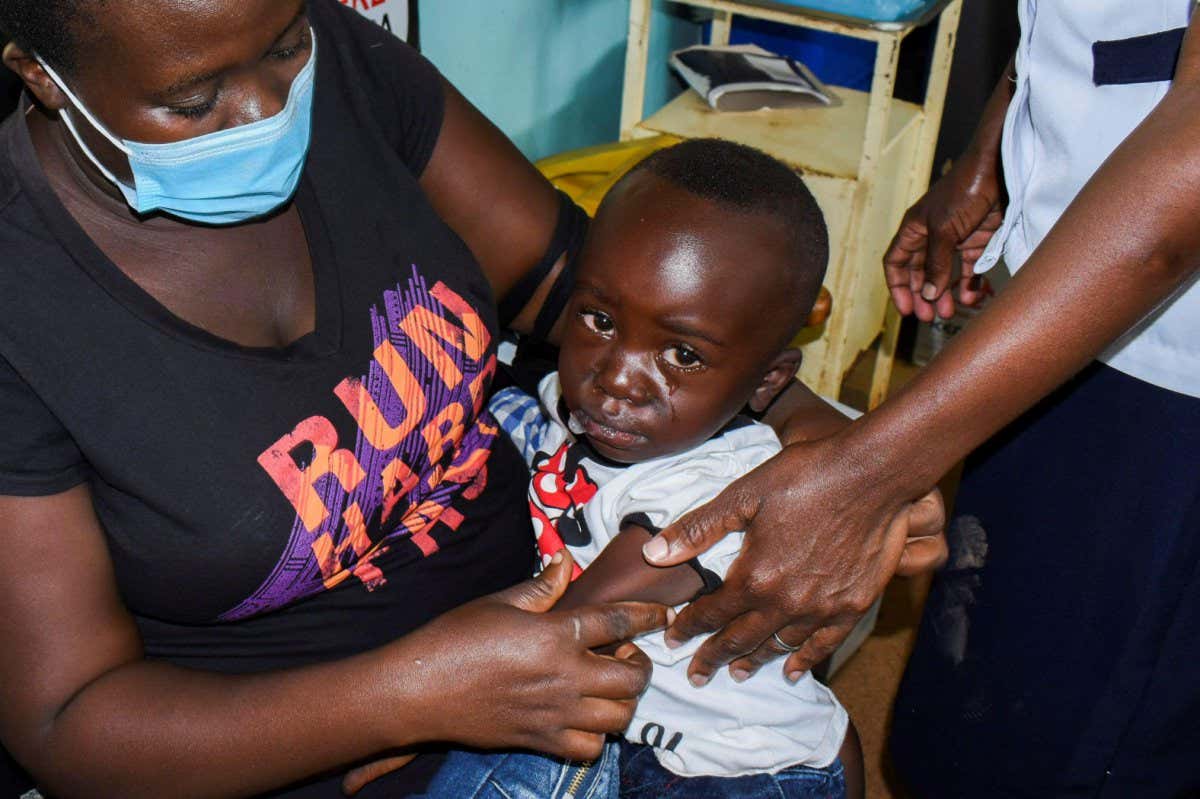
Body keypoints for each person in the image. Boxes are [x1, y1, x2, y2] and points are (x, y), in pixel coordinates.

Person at [0, 1, 931, 796]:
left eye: (286, 47)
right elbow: (66, 717)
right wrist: (410, 697)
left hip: (556, 596)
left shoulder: (345, 62)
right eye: (193, 101)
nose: (270, 110)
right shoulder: (21, 312)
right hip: (328, 738)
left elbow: (592, 292)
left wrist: (821, 443)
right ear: (40, 76)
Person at [631, 2, 1200, 798]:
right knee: (988, 657)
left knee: (1098, 726)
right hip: (1071, 295)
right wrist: (995, 150)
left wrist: (875, 469)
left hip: (1174, 359)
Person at [415, 139, 947, 799]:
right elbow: (517, 405)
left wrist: (423, 720)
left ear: (768, 380)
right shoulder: (583, 403)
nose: (617, 378)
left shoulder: (720, 486)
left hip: (745, 770)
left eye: (684, 357)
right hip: (641, 733)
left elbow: (570, 628)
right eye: (600, 319)